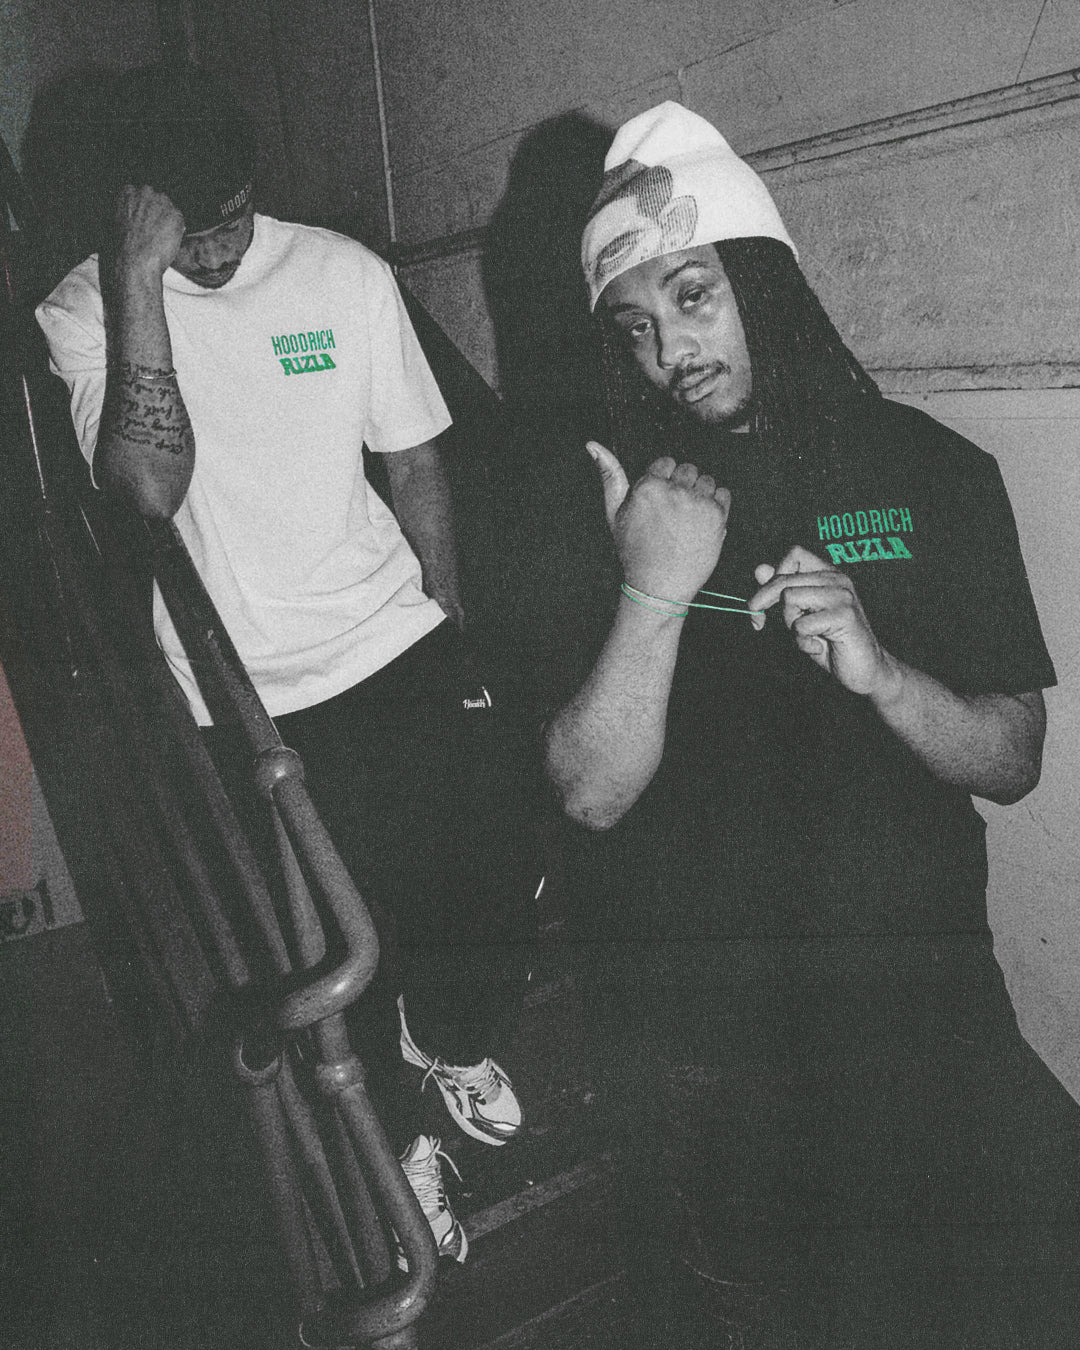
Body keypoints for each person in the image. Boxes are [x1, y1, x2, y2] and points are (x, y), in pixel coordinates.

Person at [501, 101, 1080, 1344]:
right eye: (634, 326)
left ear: (764, 281)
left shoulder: (934, 471)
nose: (671, 350)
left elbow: (1014, 759)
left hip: (930, 1010)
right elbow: (589, 792)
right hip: (722, 1055)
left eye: (694, 298)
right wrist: (652, 590)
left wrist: (885, 674)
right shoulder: (600, 497)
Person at [35, 62, 537, 1265]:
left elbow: (413, 461)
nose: (217, 254)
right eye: (187, 233)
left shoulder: (345, 275)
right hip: (247, 693)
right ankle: (399, 1147)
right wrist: (140, 280)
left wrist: (450, 624)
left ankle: (446, 1041)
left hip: (394, 638)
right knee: (333, 946)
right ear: (133, 210)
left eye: (232, 223)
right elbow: (143, 493)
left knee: (497, 867)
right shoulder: (85, 308)